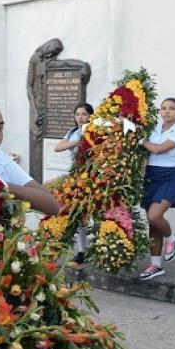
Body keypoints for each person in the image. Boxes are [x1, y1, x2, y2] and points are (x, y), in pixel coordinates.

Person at [138, 98, 175, 280]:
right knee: (152, 223)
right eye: (163, 108)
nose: (167, 112)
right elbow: (146, 153)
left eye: (172, 109)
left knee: (155, 216)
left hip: (170, 177)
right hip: (151, 176)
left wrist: (140, 140)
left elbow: (159, 149)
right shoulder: (153, 129)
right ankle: (155, 265)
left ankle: (171, 238)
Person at [54, 103, 94, 264]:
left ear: (90, 116)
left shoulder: (96, 131)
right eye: (77, 114)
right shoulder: (72, 132)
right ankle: (81, 251)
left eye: (84, 114)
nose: (80, 117)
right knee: (79, 215)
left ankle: (100, 248)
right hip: (76, 176)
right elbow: (58, 147)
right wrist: (77, 142)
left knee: (97, 214)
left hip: (93, 176)